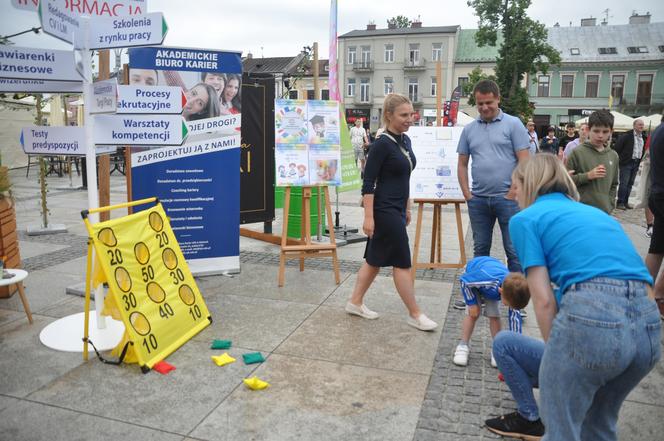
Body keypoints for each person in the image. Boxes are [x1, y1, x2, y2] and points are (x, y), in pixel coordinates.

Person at [509, 154, 660, 441]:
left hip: (594, 320)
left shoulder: (525, 219)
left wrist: (558, 355)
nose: (513, 195)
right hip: (647, 327)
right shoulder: (598, 214)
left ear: (528, 184)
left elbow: (542, 300)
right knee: (599, 426)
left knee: (561, 430)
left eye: (515, 185)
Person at [346, 93, 437, 331]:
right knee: (402, 261)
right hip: (383, 209)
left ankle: (355, 302)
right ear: (389, 115)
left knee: (374, 259)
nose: (410, 119)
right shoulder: (381, 144)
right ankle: (415, 314)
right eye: (404, 115)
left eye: (411, 114)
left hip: (397, 208)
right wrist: (368, 217)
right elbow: (368, 183)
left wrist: (406, 206)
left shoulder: (405, 141)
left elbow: (404, 176)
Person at [456, 79, 530, 274]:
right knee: (480, 250)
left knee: (514, 251)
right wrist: (467, 195)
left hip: (508, 200)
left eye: (489, 102)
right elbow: (462, 164)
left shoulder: (513, 124)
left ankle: (516, 299)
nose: (484, 107)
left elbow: (524, 161)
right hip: (478, 200)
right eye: (480, 103)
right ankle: (480, 292)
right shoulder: (469, 129)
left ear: (498, 99)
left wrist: (513, 192)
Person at [485, 281, 545, 440]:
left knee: (502, 343)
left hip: (573, 365)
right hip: (604, 374)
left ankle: (529, 417)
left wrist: (508, 294)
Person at [452, 257, 525, 367]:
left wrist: (516, 347)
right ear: (501, 291)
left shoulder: (512, 290)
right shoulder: (487, 279)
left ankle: (497, 348)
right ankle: (463, 345)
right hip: (473, 278)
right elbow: (465, 281)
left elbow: (515, 320)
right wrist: (471, 303)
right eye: (508, 304)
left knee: (494, 314)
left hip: (491, 287)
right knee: (473, 314)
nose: (508, 307)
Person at [565, 109, 619, 214]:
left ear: (611, 132)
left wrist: (610, 204)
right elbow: (566, 182)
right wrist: (588, 176)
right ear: (589, 130)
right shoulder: (577, 152)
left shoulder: (613, 155)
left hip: (604, 212)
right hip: (580, 211)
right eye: (596, 131)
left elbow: (614, 184)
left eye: (605, 131)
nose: (600, 135)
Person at [644, 120, 664, 320]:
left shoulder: (658, 130)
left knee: (657, 248)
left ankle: (648, 295)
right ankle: (656, 295)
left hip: (658, 192)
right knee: (657, 248)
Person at [614, 119, 647, 209]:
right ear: (634, 126)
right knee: (624, 183)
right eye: (640, 124)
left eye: (642, 125)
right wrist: (621, 160)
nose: (641, 126)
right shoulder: (626, 136)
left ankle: (625, 202)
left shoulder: (643, 136)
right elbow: (617, 148)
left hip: (636, 162)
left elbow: (642, 149)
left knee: (630, 183)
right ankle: (620, 202)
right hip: (626, 163)